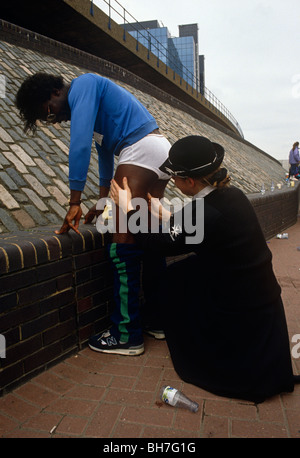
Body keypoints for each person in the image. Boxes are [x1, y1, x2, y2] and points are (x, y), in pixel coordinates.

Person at [110, 135, 299, 403]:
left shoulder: (202, 214)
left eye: (174, 177)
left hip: (241, 308)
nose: (171, 182)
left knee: (174, 279)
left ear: (189, 181)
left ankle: (178, 330)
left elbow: (159, 243)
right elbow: (197, 226)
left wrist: (129, 207)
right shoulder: (232, 195)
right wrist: (163, 213)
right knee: (185, 271)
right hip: (260, 295)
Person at [15, 72, 171, 356]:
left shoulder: (83, 85)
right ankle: (157, 321)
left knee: (122, 243)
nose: (52, 117)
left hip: (139, 150)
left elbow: (81, 144)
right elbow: (104, 156)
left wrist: (74, 201)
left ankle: (126, 334)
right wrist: (101, 204)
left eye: (48, 110)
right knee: (149, 237)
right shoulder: (93, 99)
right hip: (158, 152)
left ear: (54, 91)